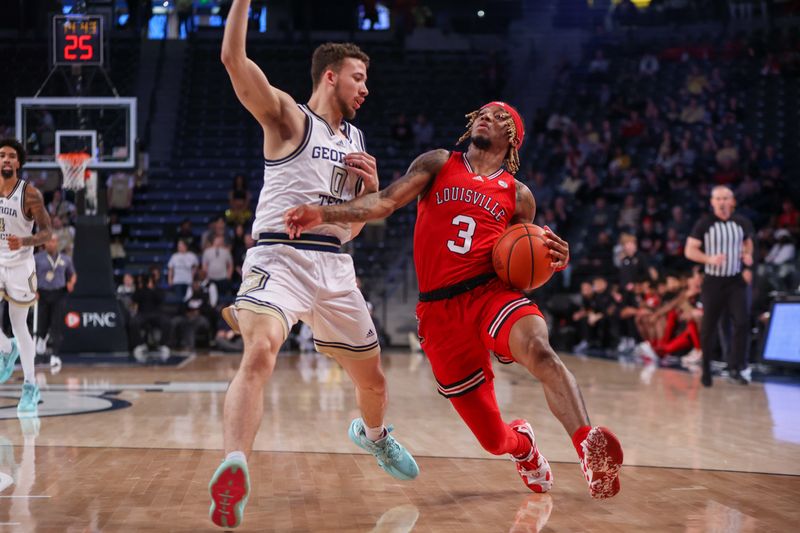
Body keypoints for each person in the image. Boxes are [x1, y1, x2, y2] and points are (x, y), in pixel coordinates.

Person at [285, 102, 623, 499]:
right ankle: (524, 447)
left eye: (500, 117)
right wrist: (323, 213)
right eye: (483, 112)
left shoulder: (519, 196)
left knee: (540, 350)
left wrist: (553, 259)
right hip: (439, 315)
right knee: (493, 439)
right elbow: (386, 202)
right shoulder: (439, 162)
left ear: (513, 139)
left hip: (490, 295)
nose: (486, 117)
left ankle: (588, 447)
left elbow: (524, 266)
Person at [211, 3, 418, 528]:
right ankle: (234, 464)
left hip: (335, 267)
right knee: (259, 351)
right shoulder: (288, 117)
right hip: (280, 256)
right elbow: (234, 60)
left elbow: (352, 227)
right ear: (332, 76)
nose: (365, 88)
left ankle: (374, 437)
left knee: (373, 383)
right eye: (358, 77)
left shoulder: (357, 143)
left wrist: (372, 192)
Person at [0, 138, 53, 416]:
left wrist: (25, 241)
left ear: (18, 163)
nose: (6, 160)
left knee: (19, 325)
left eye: (11, 156)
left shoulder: (29, 194)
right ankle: (6, 349)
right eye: (1, 156)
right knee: (10, 334)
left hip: (21, 265)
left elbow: (48, 232)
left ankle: (31, 385)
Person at [685, 185, 754, 386]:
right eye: (718, 199)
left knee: (742, 322)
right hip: (713, 281)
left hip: (735, 281)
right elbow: (689, 250)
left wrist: (747, 257)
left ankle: (736, 367)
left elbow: (749, 243)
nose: (722, 202)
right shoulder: (704, 223)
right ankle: (706, 368)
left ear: (732, 202)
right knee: (709, 327)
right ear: (712, 202)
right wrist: (708, 259)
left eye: (726, 198)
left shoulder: (741, 222)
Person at [34, 234, 77, 366]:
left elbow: (73, 274)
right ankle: (40, 346)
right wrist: (33, 290)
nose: (52, 244)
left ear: (57, 243)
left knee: (56, 325)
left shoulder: (65, 259)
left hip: (59, 294)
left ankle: (55, 355)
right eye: (49, 241)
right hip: (42, 294)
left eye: (54, 241)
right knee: (42, 324)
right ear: (44, 244)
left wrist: (71, 283)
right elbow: (30, 274)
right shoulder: (37, 258)